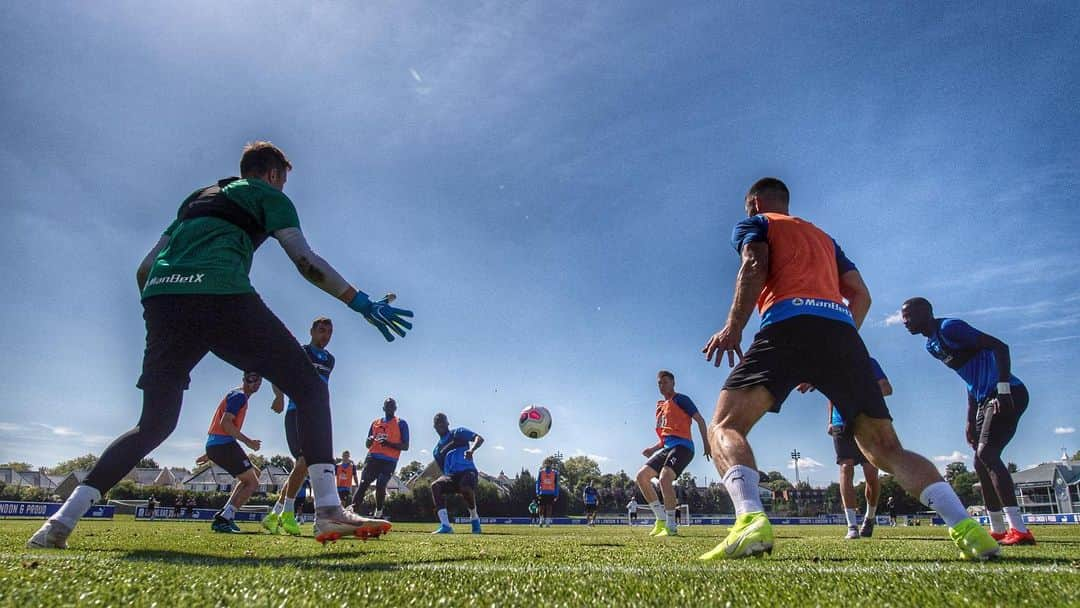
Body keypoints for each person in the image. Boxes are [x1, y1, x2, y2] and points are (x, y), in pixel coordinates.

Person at [29, 142, 412, 549]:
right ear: (274, 174)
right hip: (220, 295)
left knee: (154, 424)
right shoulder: (267, 195)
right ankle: (329, 511)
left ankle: (58, 523)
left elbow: (145, 268)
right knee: (311, 387)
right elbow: (305, 261)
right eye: (285, 180)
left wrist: (160, 317)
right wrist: (360, 302)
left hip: (161, 302)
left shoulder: (197, 198)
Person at [699, 177, 999, 561]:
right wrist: (837, 340)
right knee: (886, 448)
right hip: (842, 334)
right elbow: (862, 294)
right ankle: (969, 530)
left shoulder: (757, 224)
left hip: (786, 327)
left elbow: (754, 263)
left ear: (755, 204)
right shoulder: (825, 239)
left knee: (725, 425)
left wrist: (733, 328)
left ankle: (749, 520)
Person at [901, 297, 1035, 546]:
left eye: (908, 316)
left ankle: (1020, 530)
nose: (904, 322)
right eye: (902, 317)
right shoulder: (932, 345)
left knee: (988, 454)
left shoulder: (950, 327)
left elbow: (1000, 347)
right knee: (979, 459)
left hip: (1007, 393)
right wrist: (969, 420)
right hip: (984, 398)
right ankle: (997, 528)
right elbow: (969, 378)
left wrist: (1003, 389)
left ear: (926, 313)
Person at [801, 358, 891, 539]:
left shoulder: (868, 363)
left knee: (871, 474)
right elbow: (831, 396)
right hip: (840, 423)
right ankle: (852, 526)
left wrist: (860, 395)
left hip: (867, 421)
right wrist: (829, 421)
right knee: (846, 467)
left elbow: (887, 388)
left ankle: (870, 516)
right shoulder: (833, 365)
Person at [263, 316, 335, 536]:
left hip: (318, 415)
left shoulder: (330, 359)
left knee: (303, 467)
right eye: (321, 330)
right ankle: (287, 513)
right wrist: (279, 396)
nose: (325, 335)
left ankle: (274, 515)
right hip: (297, 412)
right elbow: (276, 372)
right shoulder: (301, 352)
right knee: (304, 461)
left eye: (329, 332)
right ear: (312, 331)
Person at [636, 370, 711, 538]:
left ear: (673, 383)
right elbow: (665, 439)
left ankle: (671, 525)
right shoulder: (660, 408)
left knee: (664, 478)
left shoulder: (682, 399)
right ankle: (660, 520)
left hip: (684, 447)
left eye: (665, 382)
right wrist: (652, 450)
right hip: (667, 448)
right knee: (641, 477)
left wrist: (707, 444)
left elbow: (700, 420)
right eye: (659, 383)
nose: (662, 386)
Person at [202, 372, 264, 532]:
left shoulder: (236, 394)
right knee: (252, 482)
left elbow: (220, 425)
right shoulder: (239, 396)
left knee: (254, 474)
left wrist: (210, 451)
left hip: (218, 444)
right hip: (223, 444)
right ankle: (224, 518)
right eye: (252, 378)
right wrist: (249, 442)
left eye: (259, 379)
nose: (256, 382)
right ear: (244, 379)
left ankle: (225, 514)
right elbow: (226, 424)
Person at [350, 397, 410, 518]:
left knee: (381, 484)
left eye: (392, 406)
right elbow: (367, 445)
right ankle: (352, 511)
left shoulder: (401, 423)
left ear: (395, 408)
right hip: (373, 457)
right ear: (383, 408)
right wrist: (369, 440)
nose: (389, 408)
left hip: (389, 460)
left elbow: (405, 446)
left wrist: (388, 443)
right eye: (387, 406)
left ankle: (379, 512)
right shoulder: (375, 423)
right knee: (363, 483)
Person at [430, 413, 484, 534]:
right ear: (435, 427)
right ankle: (446, 526)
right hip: (451, 477)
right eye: (437, 423)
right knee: (435, 486)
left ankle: (475, 520)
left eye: (442, 422)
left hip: (468, 472)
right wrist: (446, 482)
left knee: (465, 487)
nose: (441, 425)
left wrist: (471, 450)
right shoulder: (437, 451)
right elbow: (444, 470)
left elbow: (479, 438)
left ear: (448, 423)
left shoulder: (458, 433)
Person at [536, 459, 560, 527]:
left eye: (549, 463)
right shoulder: (541, 472)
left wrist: (556, 494)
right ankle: (540, 521)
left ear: (551, 464)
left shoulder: (555, 473)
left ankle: (547, 523)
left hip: (551, 493)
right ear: (544, 464)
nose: (548, 464)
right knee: (541, 508)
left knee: (549, 508)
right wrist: (537, 492)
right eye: (546, 463)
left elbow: (556, 484)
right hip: (542, 492)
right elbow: (538, 483)